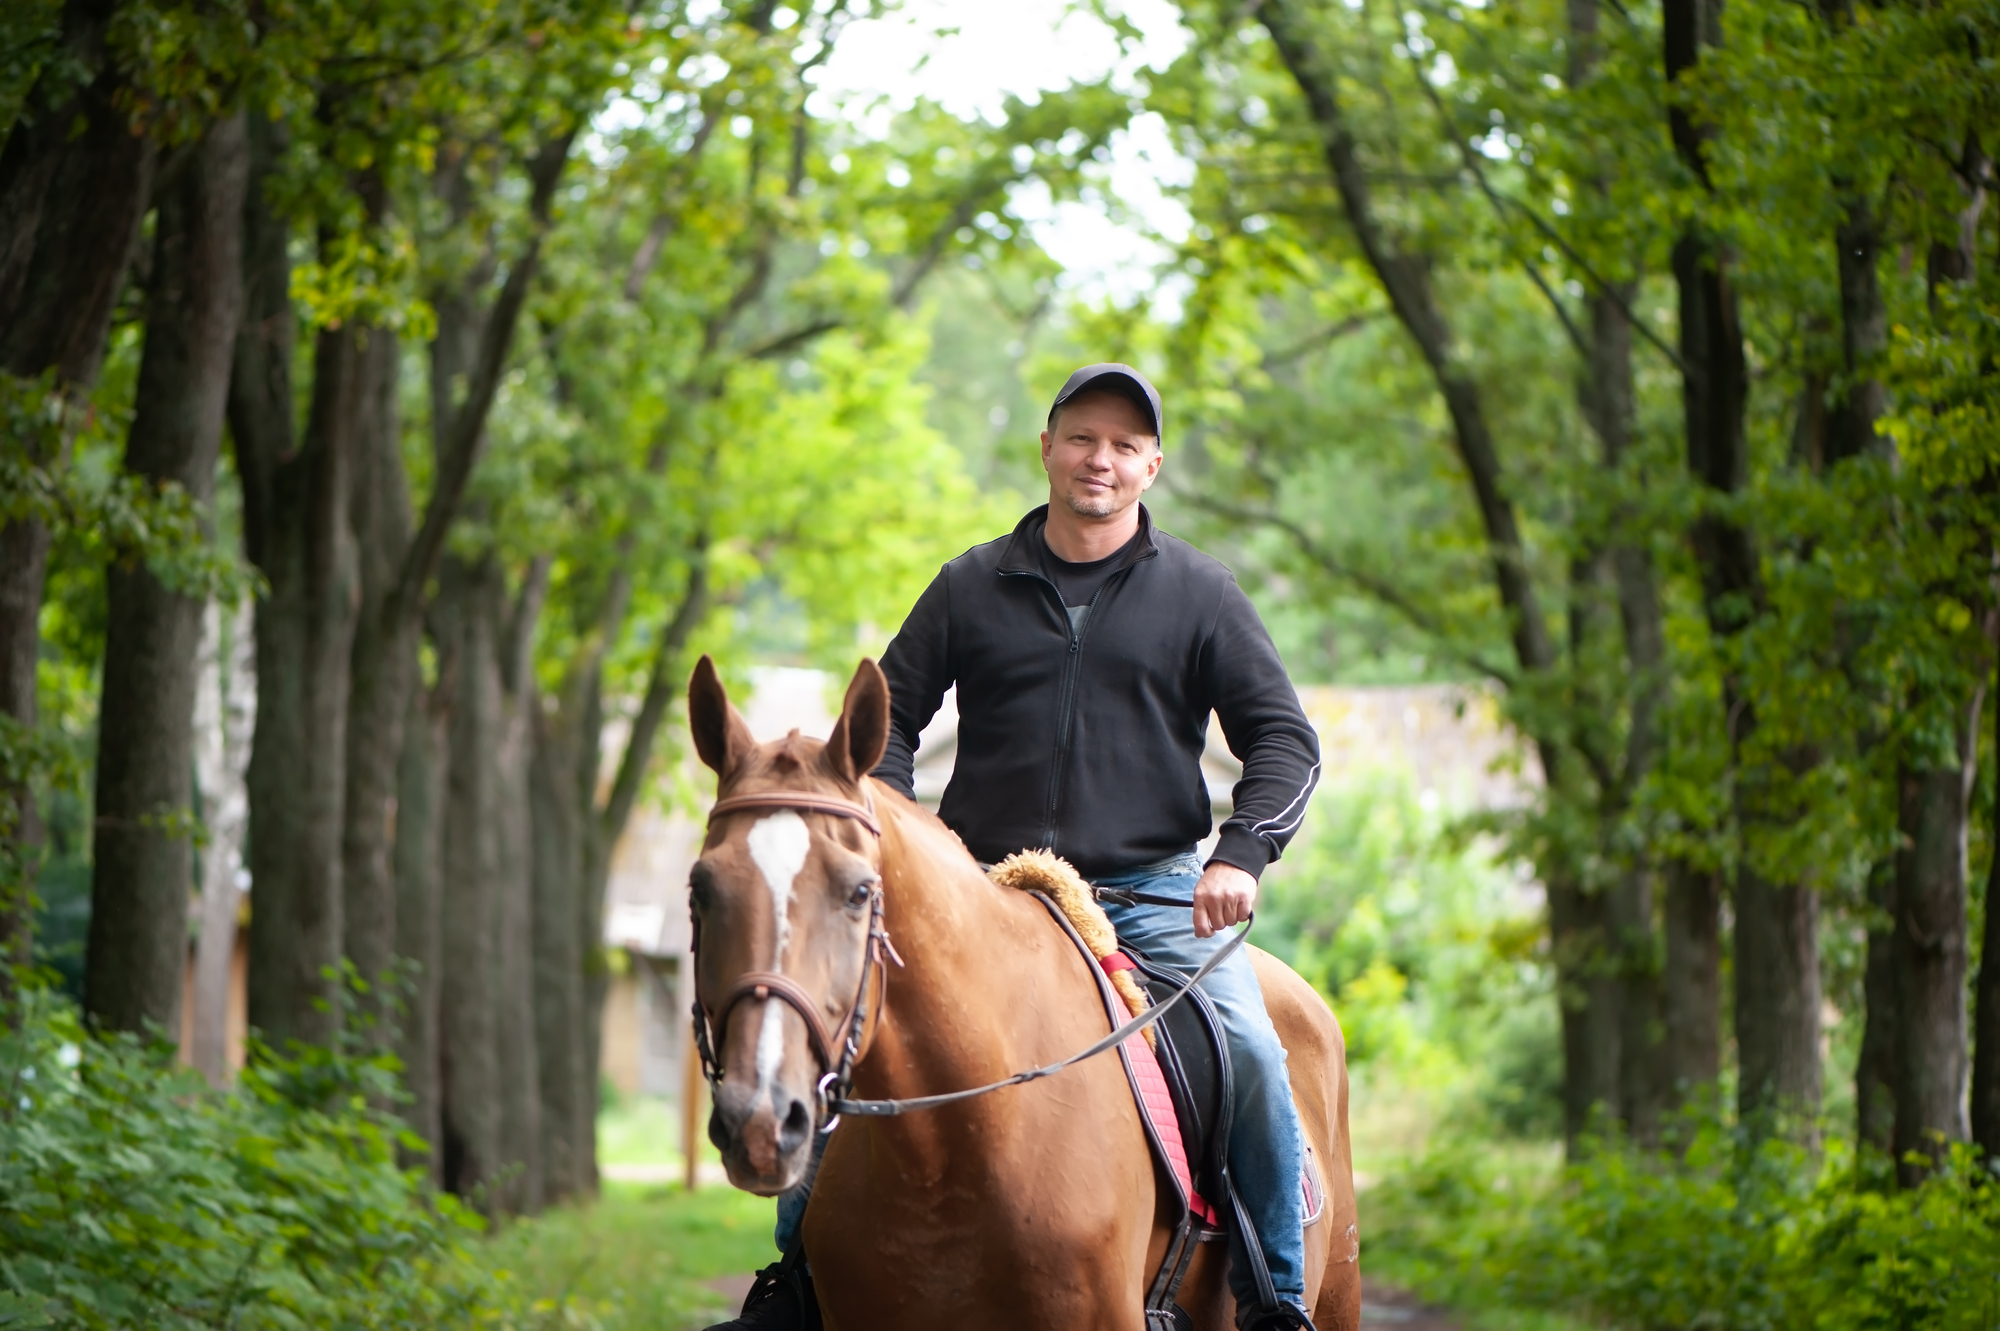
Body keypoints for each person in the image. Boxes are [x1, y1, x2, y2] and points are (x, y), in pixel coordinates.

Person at [711, 363, 1323, 1331]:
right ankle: (793, 1283)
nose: (1100, 460)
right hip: (989, 890)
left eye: (1124, 446)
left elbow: (1284, 737)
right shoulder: (968, 585)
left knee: (1248, 1046)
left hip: (1154, 891)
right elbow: (883, 729)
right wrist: (902, 855)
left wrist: (1239, 851)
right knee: (847, 1037)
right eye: (1082, 437)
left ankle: (1273, 1297)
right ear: (1046, 448)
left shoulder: (1201, 594)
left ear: (1151, 467)